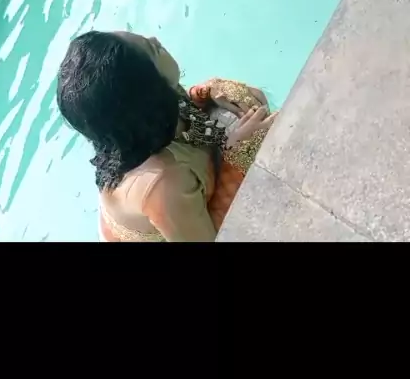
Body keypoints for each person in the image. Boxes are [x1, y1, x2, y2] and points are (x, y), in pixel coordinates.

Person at [57, 30, 277, 242]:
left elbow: (181, 106)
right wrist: (235, 158)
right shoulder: (162, 182)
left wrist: (204, 92)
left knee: (243, 99)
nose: (155, 38)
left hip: (169, 201)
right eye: (153, 49)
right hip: (169, 222)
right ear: (149, 91)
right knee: (254, 140)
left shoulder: (138, 110)